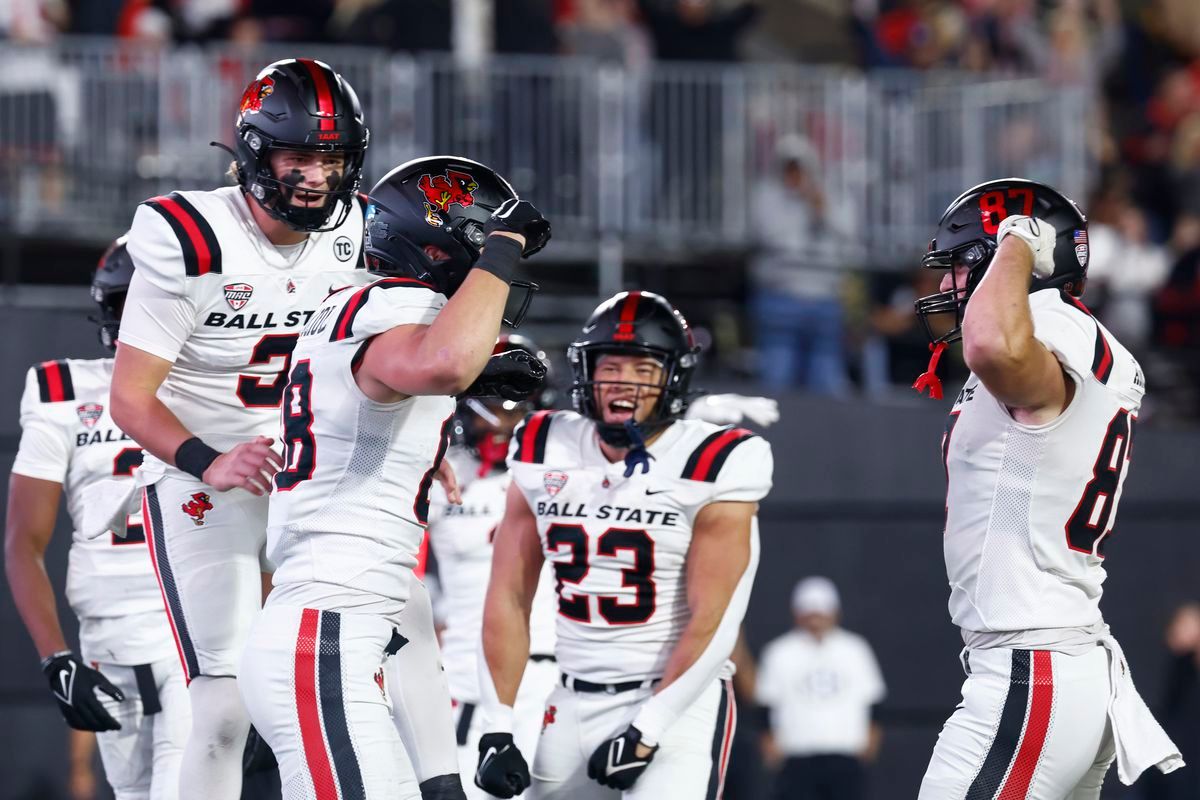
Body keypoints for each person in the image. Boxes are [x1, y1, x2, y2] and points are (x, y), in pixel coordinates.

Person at [237, 155, 551, 800]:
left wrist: (441, 777)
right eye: (483, 244)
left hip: (340, 627)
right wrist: (503, 247)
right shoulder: (395, 304)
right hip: (322, 633)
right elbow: (443, 365)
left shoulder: (359, 312)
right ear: (447, 243)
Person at [109, 59, 373, 800]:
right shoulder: (186, 235)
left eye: (332, 157)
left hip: (309, 480)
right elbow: (130, 399)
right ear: (257, 153)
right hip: (205, 481)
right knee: (223, 709)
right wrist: (210, 459)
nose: (318, 176)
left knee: (338, 691)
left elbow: (369, 354)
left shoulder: (354, 228)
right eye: (299, 155)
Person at [912, 178, 1184, 798]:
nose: (949, 287)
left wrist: (1012, 242)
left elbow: (993, 344)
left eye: (962, 266)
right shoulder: (1076, 335)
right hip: (1055, 663)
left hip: (1032, 668)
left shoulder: (1046, 326)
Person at [476, 290, 773, 799]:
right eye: (611, 366)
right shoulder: (543, 442)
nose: (624, 383)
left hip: (676, 703)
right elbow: (508, 594)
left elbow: (717, 617)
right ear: (585, 370)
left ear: (672, 377)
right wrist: (497, 723)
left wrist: (651, 727)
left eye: (643, 370)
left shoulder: (719, 459)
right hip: (569, 698)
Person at [5, 238, 191, 799]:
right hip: (105, 641)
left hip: (190, 631)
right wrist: (55, 658)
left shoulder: (222, 381)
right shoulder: (60, 390)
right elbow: (23, 541)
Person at [427, 334, 561, 800]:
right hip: (462, 674)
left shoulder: (560, 474)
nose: (502, 417)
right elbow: (410, 576)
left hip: (551, 670)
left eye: (514, 402)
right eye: (490, 399)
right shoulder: (440, 474)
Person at [755, 576, 884, 800]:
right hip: (796, 759)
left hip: (845, 758)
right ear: (798, 614)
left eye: (821, 612)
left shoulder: (855, 650)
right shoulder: (779, 652)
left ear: (834, 612)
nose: (816, 619)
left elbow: (874, 702)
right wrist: (771, 749)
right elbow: (765, 706)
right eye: (810, 612)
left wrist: (869, 747)